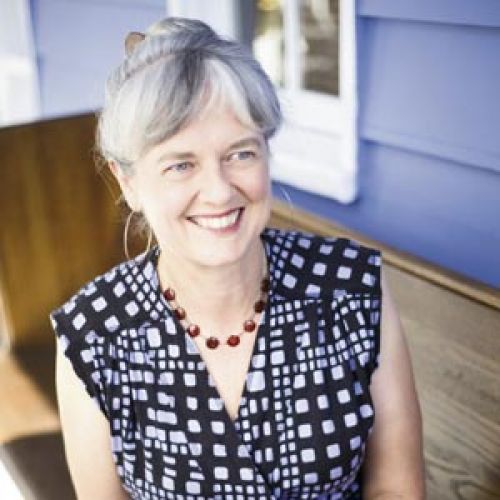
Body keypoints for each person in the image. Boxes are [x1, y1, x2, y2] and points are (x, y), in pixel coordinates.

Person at [50, 17, 425, 500]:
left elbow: (396, 488)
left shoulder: (350, 288)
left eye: (241, 154)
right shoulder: (93, 334)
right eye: (181, 164)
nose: (219, 191)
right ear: (129, 183)